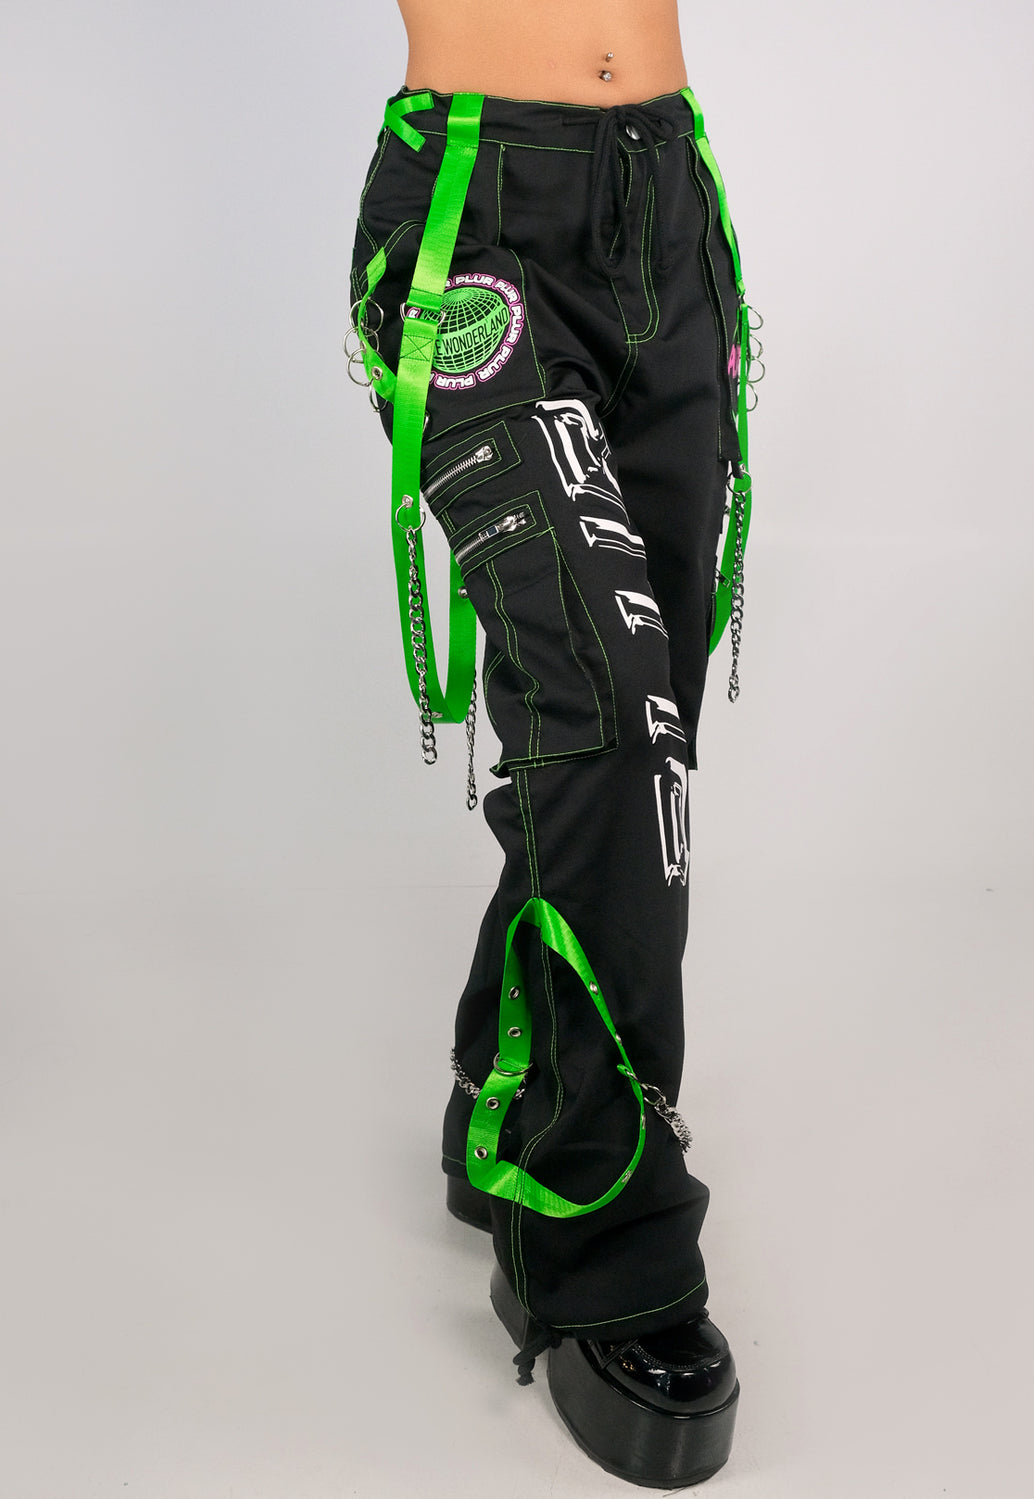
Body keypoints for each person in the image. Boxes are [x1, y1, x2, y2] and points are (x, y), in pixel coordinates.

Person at [347, 0, 757, 1486]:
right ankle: (595, 1233)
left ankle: (508, 1085)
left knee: (653, 700)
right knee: (606, 703)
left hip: (669, 201)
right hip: (481, 224)